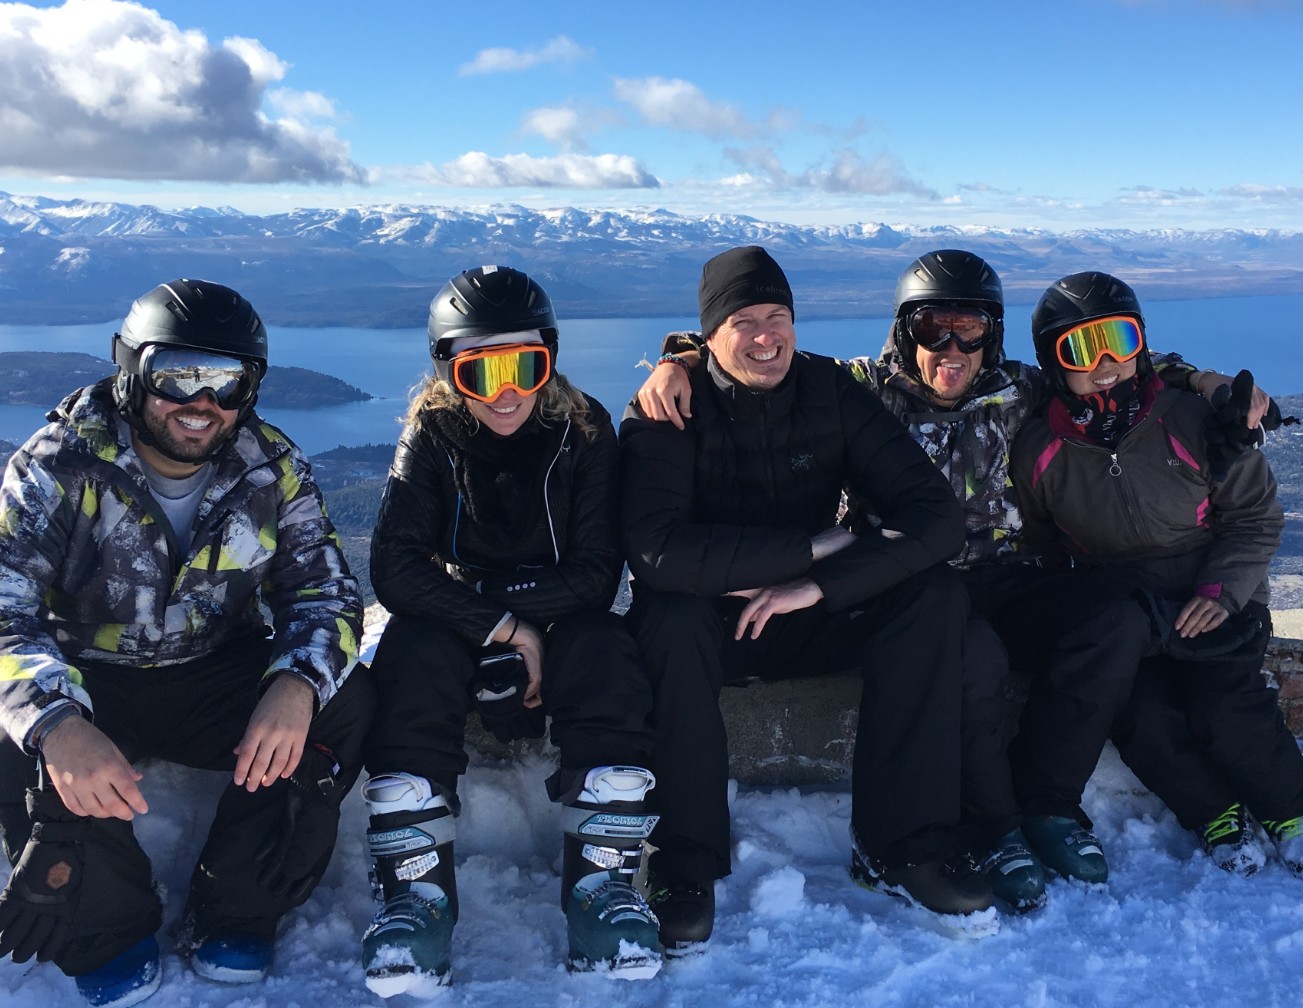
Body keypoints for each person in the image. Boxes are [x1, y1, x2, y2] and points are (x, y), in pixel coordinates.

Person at [634, 249, 1275, 910]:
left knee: (1111, 619)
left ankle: (1047, 807)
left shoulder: (1020, 388)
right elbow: (763, 357)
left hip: (1008, 577)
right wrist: (678, 357)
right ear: (903, 330)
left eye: (967, 330)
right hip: (898, 582)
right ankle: (994, 828)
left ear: (989, 334)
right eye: (930, 327)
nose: (950, 346)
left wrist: (1201, 379)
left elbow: (1108, 370)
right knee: (969, 654)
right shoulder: (860, 385)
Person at [0, 279, 370, 1008]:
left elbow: (323, 591)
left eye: (226, 381)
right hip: (86, 681)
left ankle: (235, 906)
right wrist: (55, 721)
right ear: (132, 370)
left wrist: (295, 686)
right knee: (11, 734)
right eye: (177, 376)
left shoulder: (269, 467)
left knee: (342, 702)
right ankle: (104, 923)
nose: (202, 403)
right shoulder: (57, 464)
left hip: (211, 675)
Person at [621, 245, 993, 954]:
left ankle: (902, 844)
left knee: (932, 596)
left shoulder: (830, 392)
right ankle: (683, 866)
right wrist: (809, 550)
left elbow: (934, 517)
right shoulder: (666, 409)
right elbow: (657, 552)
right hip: (710, 620)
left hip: (809, 610)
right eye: (743, 321)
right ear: (708, 335)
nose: (766, 336)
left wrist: (816, 586)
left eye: (778, 316)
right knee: (665, 622)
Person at [359, 265, 659, 995]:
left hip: (555, 612)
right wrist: (500, 625)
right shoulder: (432, 434)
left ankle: (602, 891)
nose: (504, 392)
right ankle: (416, 897)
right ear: (447, 372)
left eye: (524, 366)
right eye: (477, 371)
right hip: (463, 620)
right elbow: (393, 570)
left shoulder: (583, 428)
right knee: (412, 654)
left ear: (548, 358)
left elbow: (596, 573)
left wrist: (508, 618)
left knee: (604, 650)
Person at [1012, 270, 1303, 880]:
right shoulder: (1040, 450)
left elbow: (1254, 517)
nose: (1108, 362)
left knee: (1228, 707)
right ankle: (1215, 813)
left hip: (1214, 591)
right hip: (1126, 606)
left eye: (1120, 338)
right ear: (1052, 360)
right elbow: (1043, 544)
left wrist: (1222, 592)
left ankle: (1290, 809)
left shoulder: (1195, 420)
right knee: (1142, 719)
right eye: (1082, 349)